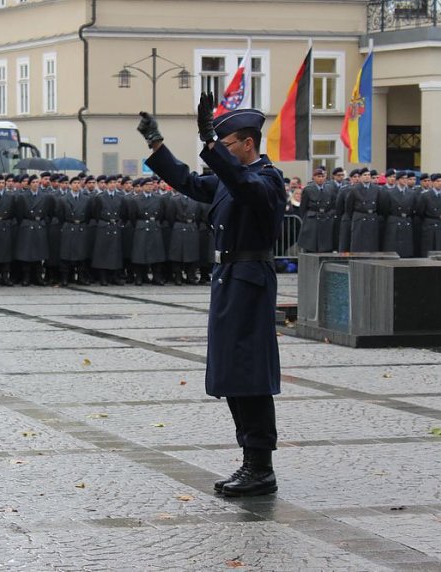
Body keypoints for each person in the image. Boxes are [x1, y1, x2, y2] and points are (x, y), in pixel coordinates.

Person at [138, 93, 285, 497]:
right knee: (233, 375)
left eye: (227, 144)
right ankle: (250, 462)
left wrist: (208, 142)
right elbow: (188, 182)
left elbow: (244, 186)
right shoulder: (230, 178)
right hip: (229, 279)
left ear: (247, 144)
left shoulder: (267, 179)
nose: (222, 151)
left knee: (250, 375)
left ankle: (261, 467)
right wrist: (157, 146)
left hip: (249, 281)